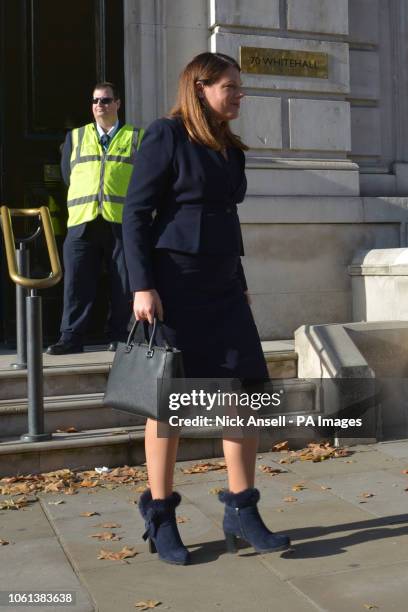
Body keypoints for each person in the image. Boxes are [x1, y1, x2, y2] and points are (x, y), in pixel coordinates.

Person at [123, 53, 290, 565]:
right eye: (230, 87)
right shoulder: (165, 135)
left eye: (240, 87)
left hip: (222, 285)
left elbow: (224, 221)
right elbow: (135, 213)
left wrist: (239, 283)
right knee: (167, 403)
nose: (240, 95)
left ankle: (242, 508)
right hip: (172, 287)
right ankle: (160, 513)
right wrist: (142, 286)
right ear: (200, 88)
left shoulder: (228, 146)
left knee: (243, 394)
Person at [47, 82, 144, 355]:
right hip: (82, 221)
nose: (99, 105)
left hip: (121, 221)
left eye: (105, 100)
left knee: (123, 282)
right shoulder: (75, 137)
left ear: (118, 104)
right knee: (77, 283)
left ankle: (118, 335)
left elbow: (145, 181)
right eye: (95, 101)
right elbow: (68, 175)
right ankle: (71, 338)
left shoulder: (137, 137)